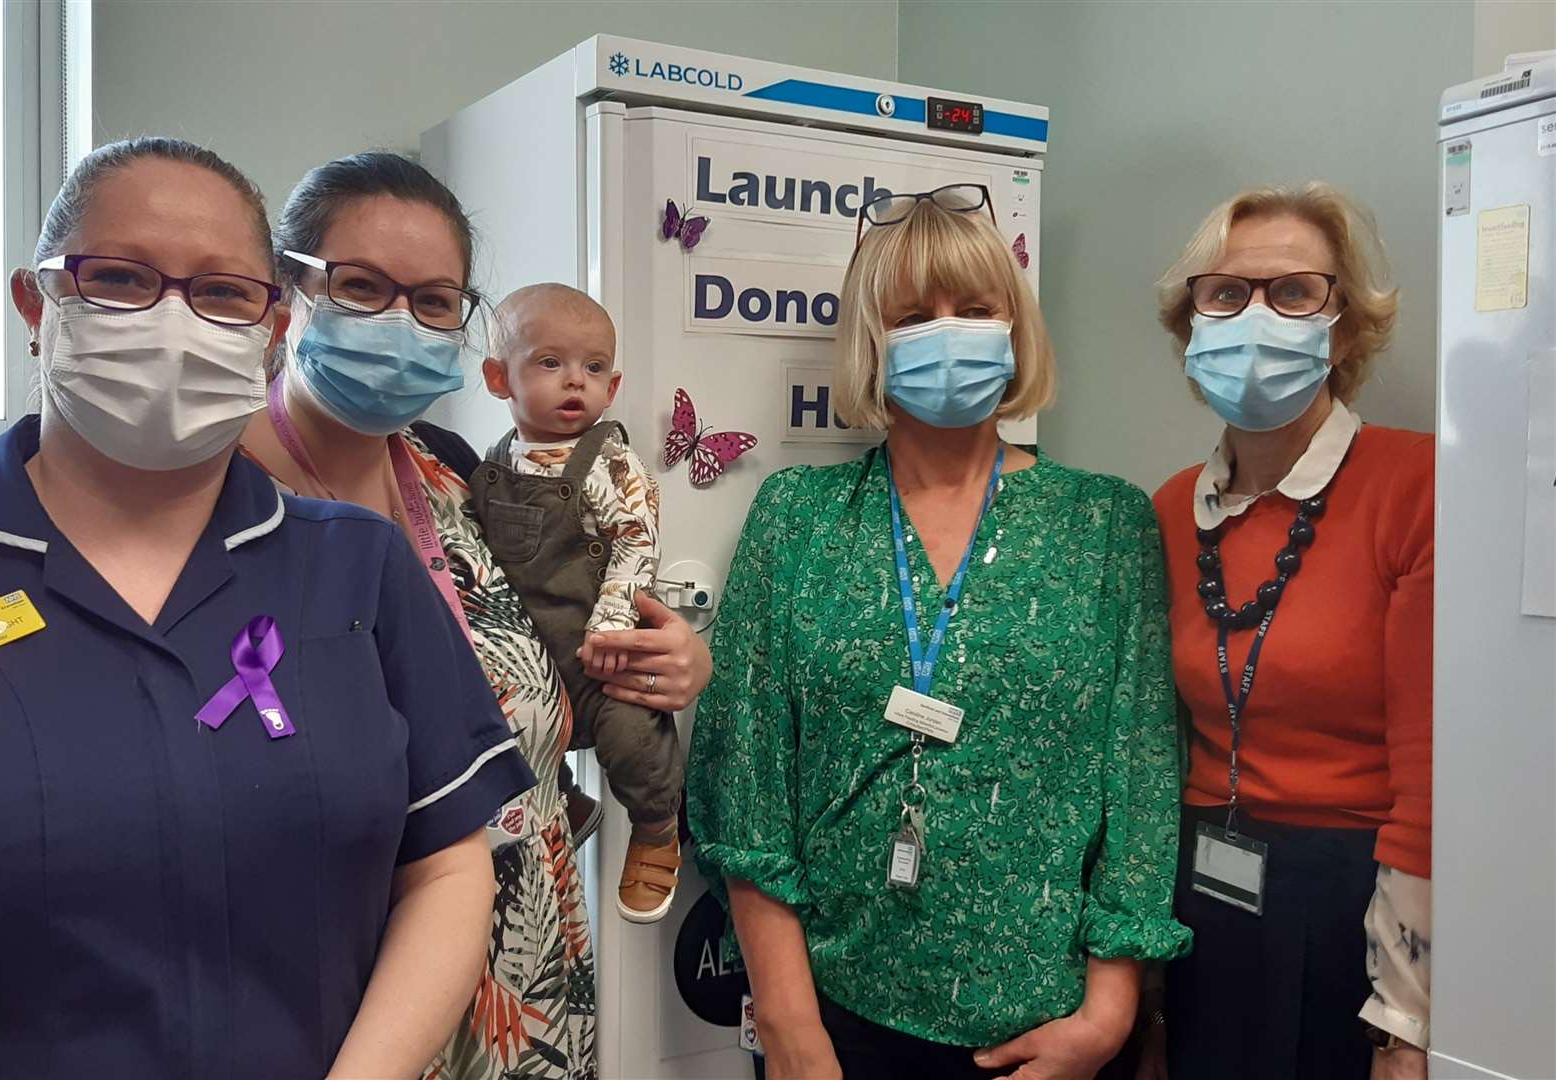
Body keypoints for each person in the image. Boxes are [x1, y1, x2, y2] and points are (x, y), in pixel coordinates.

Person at [0, 137, 533, 1078]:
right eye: (122, 279)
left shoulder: (356, 569)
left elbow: (447, 867)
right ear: (36, 304)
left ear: (270, 329)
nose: (173, 322)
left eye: (222, 292)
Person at [689, 185, 1190, 1079]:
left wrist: (1109, 1014)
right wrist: (791, 1023)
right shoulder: (799, 515)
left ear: (1015, 327)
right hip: (839, 1012)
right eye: (914, 315)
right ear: (873, 344)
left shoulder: (1105, 522)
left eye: (975, 309)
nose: (948, 332)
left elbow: (1142, 772)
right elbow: (746, 776)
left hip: (1054, 1025)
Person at [238, 152, 713, 1080]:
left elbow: (542, 656)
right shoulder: (211, 500)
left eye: (434, 301)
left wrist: (673, 659)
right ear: (285, 289)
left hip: (533, 977)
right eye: (361, 287)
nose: (399, 321)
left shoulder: (460, 476)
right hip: (345, 1003)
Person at [1140, 182, 1432, 1080]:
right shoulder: (1166, 510)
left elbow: (1434, 781)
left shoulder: (1417, 487)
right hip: (1201, 893)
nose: (1255, 315)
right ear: (1191, 325)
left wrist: (1406, 1025)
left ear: (1343, 325)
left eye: (1294, 291)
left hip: (1356, 902)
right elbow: (1153, 752)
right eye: (1225, 292)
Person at [468, 282, 684, 924]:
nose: (574, 383)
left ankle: (654, 826)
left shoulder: (608, 463)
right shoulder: (492, 461)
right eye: (550, 363)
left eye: (593, 369)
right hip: (524, 650)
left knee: (631, 737)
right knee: (502, 733)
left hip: (598, 646)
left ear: (611, 389)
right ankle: (567, 799)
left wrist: (615, 615)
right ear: (496, 378)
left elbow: (637, 540)